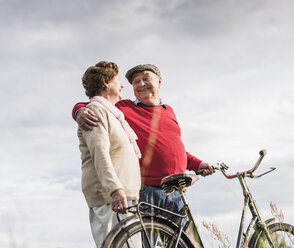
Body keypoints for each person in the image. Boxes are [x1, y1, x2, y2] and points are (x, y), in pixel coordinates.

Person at [73, 64, 214, 219]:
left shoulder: (169, 111)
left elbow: (175, 149)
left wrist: (198, 164)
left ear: (159, 82)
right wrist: (78, 110)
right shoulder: (124, 107)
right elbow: (98, 103)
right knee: (147, 241)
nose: (140, 84)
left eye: (145, 78)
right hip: (147, 190)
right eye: (136, 81)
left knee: (184, 241)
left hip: (176, 192)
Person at [77, 61, 141, 247]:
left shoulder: (114, 114)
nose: (122, 85)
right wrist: (115, 189)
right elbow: (100, 154)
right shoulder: (95, 111)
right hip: (109, 197)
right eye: (118, 80)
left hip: (125, 196)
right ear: (106, 82)